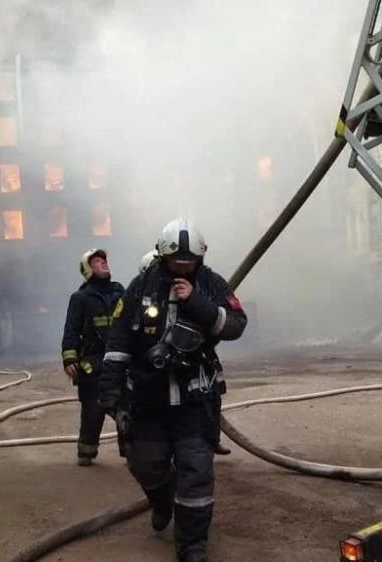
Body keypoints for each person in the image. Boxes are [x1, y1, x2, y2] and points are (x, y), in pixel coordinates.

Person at [100, 218, 248, 562]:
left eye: (190, 262)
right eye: (177, 262)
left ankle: (192, 546)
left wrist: (197, 301)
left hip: (195, 401)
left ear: (200, 259)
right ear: (162, 256)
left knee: (196, 473)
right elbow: (119, 340)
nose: (183, 268)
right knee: (145, 464)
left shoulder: (210, 283)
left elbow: (237, 324)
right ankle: (162, 501)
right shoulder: (140, 287)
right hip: (148, 401)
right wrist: (111, 390)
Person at [140, 249, 231, 456]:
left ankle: (211, 440)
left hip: (198, 366)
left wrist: (196, 302)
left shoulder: (197, 289)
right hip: (154, 372)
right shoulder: (140, 294)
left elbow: (232, 323)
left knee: (209, 404)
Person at [61, 248, 125, 466]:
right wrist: (69, 359)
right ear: (88, 270)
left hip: (119, 360)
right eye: (97, 261)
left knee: (126, 407)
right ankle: (86, 452)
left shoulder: (120, 292)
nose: (104, 264)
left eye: (104, 260)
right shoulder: (80, 298)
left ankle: (130, 452)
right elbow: (71, 330)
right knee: (92, 409)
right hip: (93, 362)